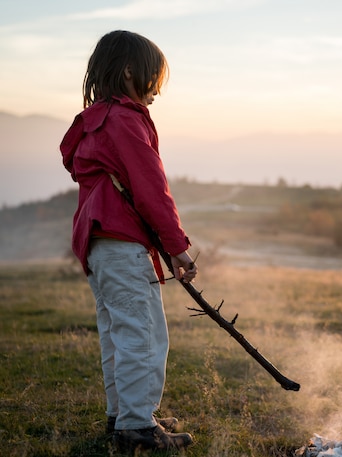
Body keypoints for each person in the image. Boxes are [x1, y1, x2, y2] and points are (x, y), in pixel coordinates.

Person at [60, 30, 197, 452]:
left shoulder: (95, 121)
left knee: (118, 332)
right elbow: (151, 187)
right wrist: (177, 246)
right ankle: (136, 424)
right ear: (128, 73)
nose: (155, 91)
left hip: (97, 242)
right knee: (145, 333)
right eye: (152, 80)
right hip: (121, 242)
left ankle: (124, 413)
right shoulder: (126, 118)